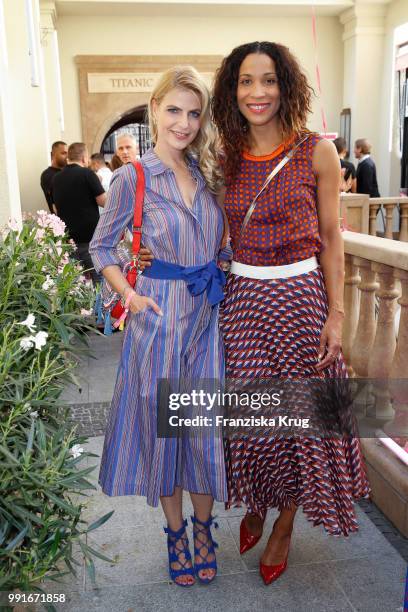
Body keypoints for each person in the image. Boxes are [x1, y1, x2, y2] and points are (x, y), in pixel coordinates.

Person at [211, 42, 370, 585]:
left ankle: (284, 521)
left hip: (301, 299)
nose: (258, 92)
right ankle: (258, 497)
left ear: (287, 86)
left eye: (270, 80)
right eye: (247, 82)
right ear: (233, 90)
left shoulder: (316, 152)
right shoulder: (225, 154)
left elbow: (331, 237)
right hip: (244, 304)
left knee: (302, 424)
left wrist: (338, 314)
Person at [89, 66, 227, 587]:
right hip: (159, 319)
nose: (184, 123)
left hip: (208, 321)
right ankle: (175, 534)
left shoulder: (211, 172)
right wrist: (129, 293)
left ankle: (204, 528)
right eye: (174, 110)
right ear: (154, 110)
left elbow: (226, 246)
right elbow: (103, 246)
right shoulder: (134, 176)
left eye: (194, 112)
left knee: (204, 433)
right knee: (166, 433)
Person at [53, 142, 106, 285]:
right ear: (84, 158)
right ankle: (100, 308)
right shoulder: (87, 174)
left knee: (77, 287)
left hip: (68, 242)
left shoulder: (56, 178)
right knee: (100, 283)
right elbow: (104, 202)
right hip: (90, 242)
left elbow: (55, 208)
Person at [40, 141, 68, 213]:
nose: (67, 156)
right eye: (63, 153)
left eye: (68, 153)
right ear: (52, 155)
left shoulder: (68, 171)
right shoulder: (47, 175)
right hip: (60, 220)